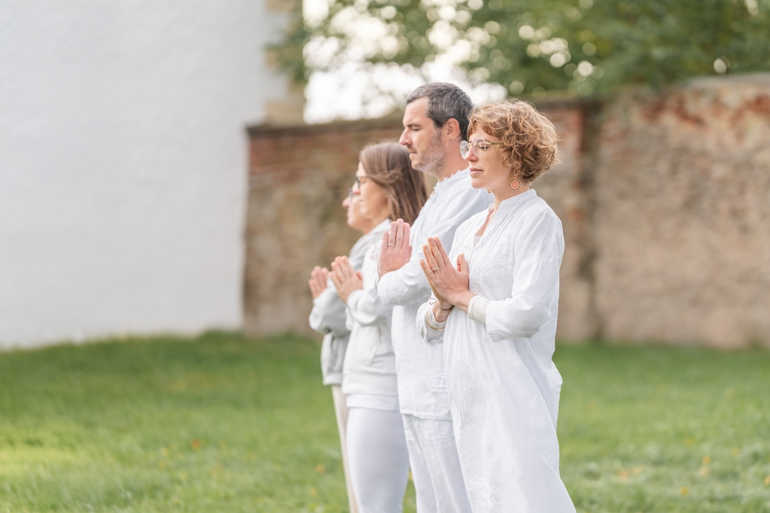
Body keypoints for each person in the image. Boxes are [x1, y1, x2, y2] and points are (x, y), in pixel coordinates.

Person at [417, 99, 576, 513]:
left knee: (524, 499)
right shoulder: (471, 226)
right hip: (467, 392)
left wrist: (461, 297)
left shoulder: (538, 221)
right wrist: (441, 303)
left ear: (516, 151)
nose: (469, 155)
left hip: (513, 388)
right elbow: (430, 325)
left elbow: (526, 313)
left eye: (483, 146)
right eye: (469, 145)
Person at [377, 83, 491, 513]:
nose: (403, 139)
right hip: (417, 381)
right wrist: (397, 274)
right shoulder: (441, 194)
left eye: (413, 127)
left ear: (450, 130)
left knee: (456, 502)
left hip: (444, 382)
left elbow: (419, 275)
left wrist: (386, 280)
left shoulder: (470, 191)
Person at [330, 142, 427, 513]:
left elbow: (380, 302)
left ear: (386, 186)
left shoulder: (395, 237)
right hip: (374, 382)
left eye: (360, 181)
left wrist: (352, 295)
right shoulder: (389, 237)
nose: (355, 192)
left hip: (379, 387)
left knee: (375, 505)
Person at [308, 187, 380, 513]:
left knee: (363, 483)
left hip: (356, 368)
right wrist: (327, 297)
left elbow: (331, 313)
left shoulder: (375, 244)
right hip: (352, 366)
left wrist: (324, 301)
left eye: (357, 191)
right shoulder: (366, 243)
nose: (347, 201)